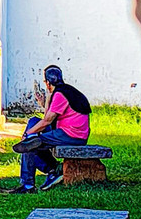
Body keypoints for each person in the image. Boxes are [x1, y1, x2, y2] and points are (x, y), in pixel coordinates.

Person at [6, 65, 92, 193]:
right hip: (72, 133)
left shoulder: (60, 94)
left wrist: (27, 134)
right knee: (33, 122)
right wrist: (46, 101)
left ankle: (28, 185)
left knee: (30, 144)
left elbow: (47, 121)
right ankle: (53, 169)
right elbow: (47, 118)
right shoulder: (66, 91)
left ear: (47, 82)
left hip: (71, 135)